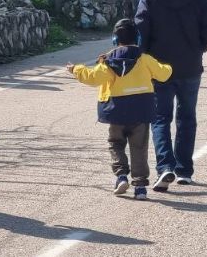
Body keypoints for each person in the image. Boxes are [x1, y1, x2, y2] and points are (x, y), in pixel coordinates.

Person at [135, 0, 207, 191]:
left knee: (160, 117)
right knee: (187, 117)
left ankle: (165, 167)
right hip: (190, 64)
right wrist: (198, 49)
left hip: (158, 66)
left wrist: (145, 58)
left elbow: (141, 29)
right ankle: (184, 170)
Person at [67, 19, 172, 201]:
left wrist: (76, 69)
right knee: (139, 147)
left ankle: (121, 176)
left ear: (115, 39)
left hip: (116, 111)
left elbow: (92, 78)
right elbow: (163, 74)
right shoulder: (144, 59)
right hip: (140, 111)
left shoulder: (108, 61)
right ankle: (140, 187)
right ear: (137, 38)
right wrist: (169, 65)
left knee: (116, 143)